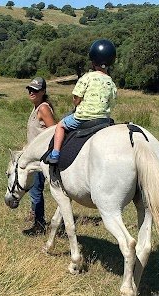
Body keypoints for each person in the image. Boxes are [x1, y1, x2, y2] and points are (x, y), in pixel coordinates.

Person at [46, 39, 117, 164]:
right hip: (103, 119)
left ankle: (55, 154)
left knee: (61, 125)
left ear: (93, 60)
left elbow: (76, 99)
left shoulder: (87, 77)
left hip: (83, 118)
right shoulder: (111, 82)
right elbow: (112, 103)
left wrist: (77, 103)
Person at [24, 77, 56, 235]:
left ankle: (39, 224)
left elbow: (54, 131)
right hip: (34, 155)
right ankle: (34, 214)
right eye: (30, 89)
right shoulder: (36, 107)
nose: (32, 92)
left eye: (35, 90)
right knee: (32, 187)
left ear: (43, 92)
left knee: (36, 189)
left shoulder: (43, 108)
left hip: (41, 157)